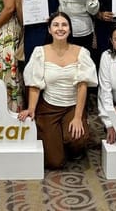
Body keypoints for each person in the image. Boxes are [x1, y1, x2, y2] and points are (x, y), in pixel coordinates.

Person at [18, 12, 98, 169]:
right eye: (56, 25)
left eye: (64, 25)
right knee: (55, 162)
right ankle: (56, 140)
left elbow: (82, 87)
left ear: (69, 29)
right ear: (49, 30)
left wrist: (77, 117)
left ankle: (72, 143)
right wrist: (31, 109)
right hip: (49, 108)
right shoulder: (40, 52)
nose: (60, 29)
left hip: (73, 106)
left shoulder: (81, 52)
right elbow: (34, 84)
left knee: (77, 138)